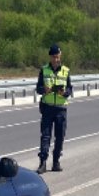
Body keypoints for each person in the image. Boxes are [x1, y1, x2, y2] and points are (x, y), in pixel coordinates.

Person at [35, 44, 72, 174]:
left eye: (58, 57)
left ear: (60, 56)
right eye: (54, 57)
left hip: (61, 109)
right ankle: (43, 163)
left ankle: (56, 162)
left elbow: (70, 89)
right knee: (45, 136)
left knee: (60, 136)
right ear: (50, 57)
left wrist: (64, 93)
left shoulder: (66, 71)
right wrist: (44, 90)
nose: (56, 59)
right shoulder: (44, 70)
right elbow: (38, 88)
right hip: (47, 108)